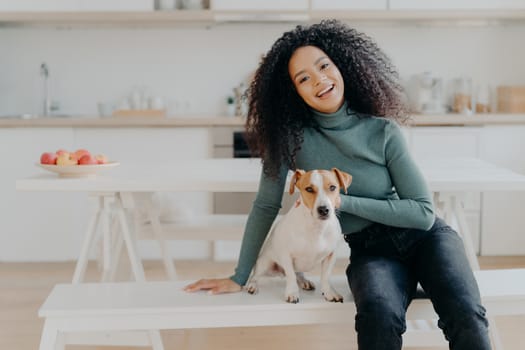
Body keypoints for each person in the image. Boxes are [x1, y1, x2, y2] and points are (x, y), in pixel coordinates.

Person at [184, 19, 491, 349]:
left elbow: (422, 213)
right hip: (369, 250)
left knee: (466, 313)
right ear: (294, 93)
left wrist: (343, 201)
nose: (320, 80)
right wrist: (239, 276)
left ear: (342, 66)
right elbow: (266, 205)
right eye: (304, 78)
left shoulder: (382, 131)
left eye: (324, 66)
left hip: (427, 241)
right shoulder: (289, 141)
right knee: (378, 315)